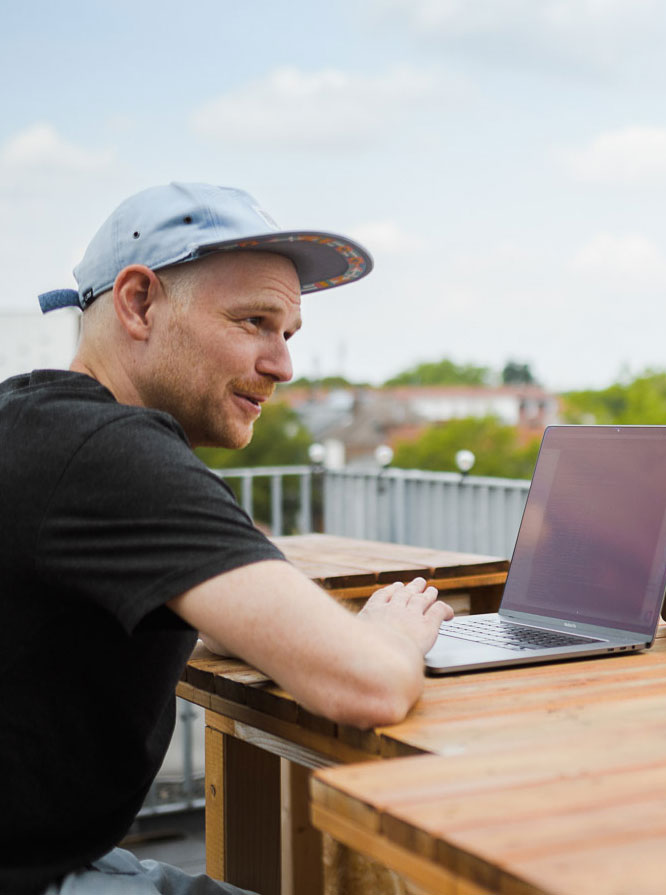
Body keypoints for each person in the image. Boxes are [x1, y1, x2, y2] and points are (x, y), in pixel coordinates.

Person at [1, 183, 456, 894]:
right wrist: (392, 633)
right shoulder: (107, 454)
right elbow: (365, 685)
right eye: (254, 321)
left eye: (288, 334)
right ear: (138, 302)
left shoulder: (33, 418)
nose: (283, 365)